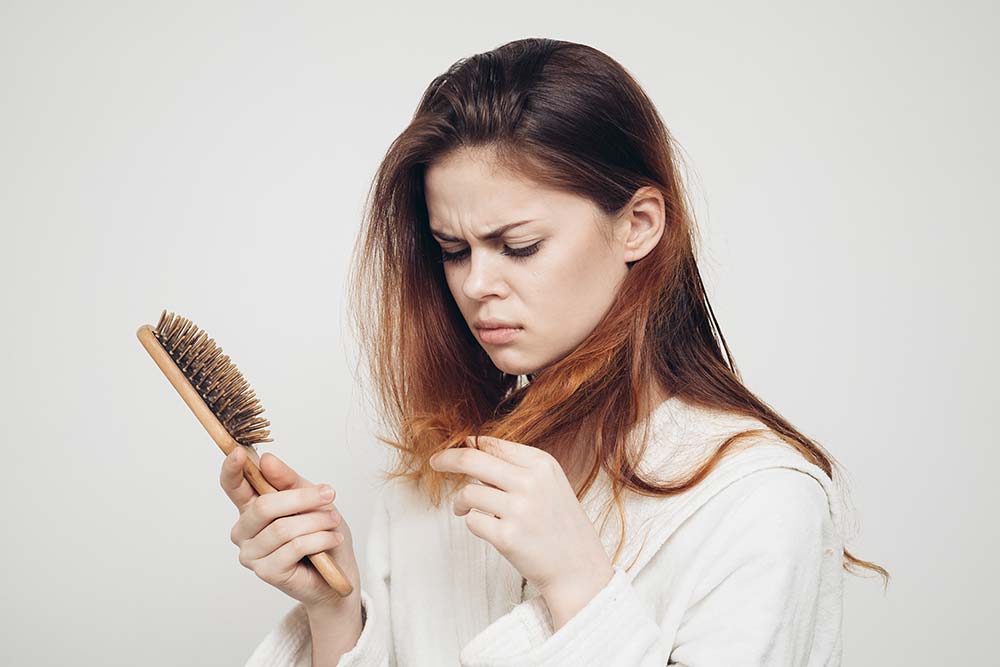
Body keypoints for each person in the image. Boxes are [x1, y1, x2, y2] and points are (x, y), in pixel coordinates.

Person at [223, 37, 888, 666]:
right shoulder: (441, 481)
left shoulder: (758, 497)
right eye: (453, 251)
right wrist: (335, 613)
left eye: (519, 245)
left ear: (638, 224)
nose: (477, 284)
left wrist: (578, 581)